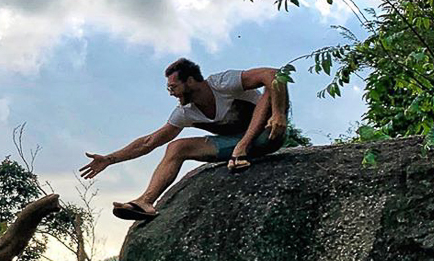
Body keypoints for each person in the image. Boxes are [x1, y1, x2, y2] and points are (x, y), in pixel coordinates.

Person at [79, 58, 289, 221]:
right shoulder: (185, 112)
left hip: (267, 135)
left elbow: (274, 74)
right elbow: (149, 142)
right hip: (234, 149)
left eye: (173, 87)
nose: (171, 93)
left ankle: (243, 146)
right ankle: (146, 202)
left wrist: (278, 113)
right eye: (169, 89)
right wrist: (109, 159)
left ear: (190, 81)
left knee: (268, 92)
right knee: (177, 147)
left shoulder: (221, 83)